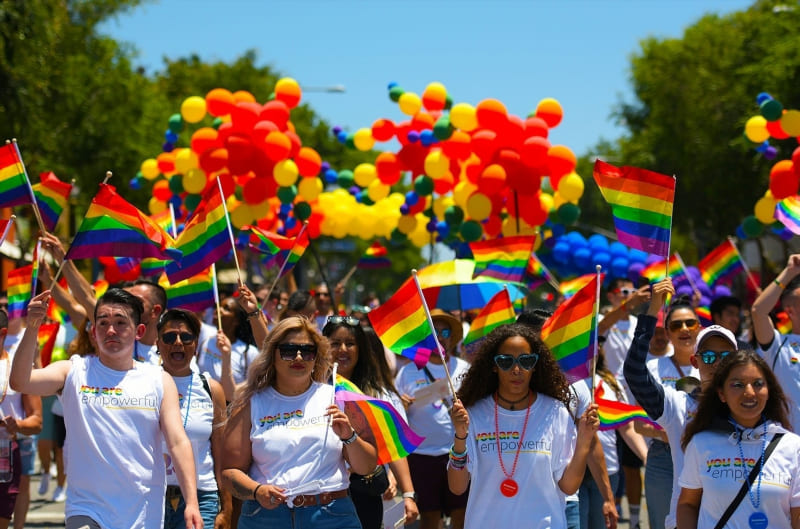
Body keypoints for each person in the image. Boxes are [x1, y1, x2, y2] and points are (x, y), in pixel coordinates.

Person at [10, 289, 202, 529]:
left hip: (143, 511)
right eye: (103, 323)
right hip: (87, 508)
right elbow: (20, 381)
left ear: (139, 331)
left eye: (120, 323)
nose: (111, 330)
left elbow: (177, 442)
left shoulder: (159, 380)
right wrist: (33, 327)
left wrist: (192, 502)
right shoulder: (73, 371)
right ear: (93, 331)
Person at [221, 316, 377, 529]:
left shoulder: (338, 398)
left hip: (332, 515)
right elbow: (230, 472)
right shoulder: (250, 403)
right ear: (272, 355)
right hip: (267, 517)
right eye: (288, 350)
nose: (298, 356)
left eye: (307, 350)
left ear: (317, 356)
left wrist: (349, 437)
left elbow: (366, 466)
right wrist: (256, 491)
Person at [448, 323, 600, 528]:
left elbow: (568, 486)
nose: (517, 369)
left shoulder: (555, 412)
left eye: (526, 361)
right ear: (494, 365)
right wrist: (460, 436)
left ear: (535, 365)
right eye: (506, 361)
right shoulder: (474, 414)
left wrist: (584, 441)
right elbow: (457, 487)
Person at [624, 278, 738, 529]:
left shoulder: (750, 407)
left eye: (726, 355)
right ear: (695, 362)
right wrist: (652, 311)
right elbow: (634, 372)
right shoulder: (679, 405)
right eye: (708, 355)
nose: (717, 361)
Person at [676, 350, 800, 528]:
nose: (749, 392)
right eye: (737, 385)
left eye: (758, 384)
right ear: (721, 394)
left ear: (768, 391)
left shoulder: (792, 446)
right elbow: (688, 504)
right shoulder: (701, 443)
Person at [322, 316, 419, 528]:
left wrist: (408, 494)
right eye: (335, 343)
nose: (343, 349)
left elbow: (392, 445)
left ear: (360, 349)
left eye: (350, 343)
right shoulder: (311, 390)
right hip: (321, 494)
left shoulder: (377, 395)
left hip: (364, 491)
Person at [395, 309, 471, 529]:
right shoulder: (408, 371)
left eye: (444, 331)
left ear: (451, 336)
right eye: (433, 332)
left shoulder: (465, 369)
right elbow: (396, 417)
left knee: (461, 515)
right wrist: (402, 405)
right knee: (429, 517)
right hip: (422, 456)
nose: (439, 336)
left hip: (458, 453)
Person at [157, 309, 232, 529]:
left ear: (196, 344)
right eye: (169, 337)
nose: (178, 343)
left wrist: (226, 507)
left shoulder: (212, 389)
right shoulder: (143, 384)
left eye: (186, 337)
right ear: (157, 343)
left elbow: (221, 451)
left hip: (202, 497)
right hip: (152, 497)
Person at [597, 277, 651, 529]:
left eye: (632, 292)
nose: (629, 295)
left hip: (632, 401)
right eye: (624, 292)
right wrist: (632, 302)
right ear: (611, 295)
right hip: (606, 397)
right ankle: (611, 510)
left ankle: (634, 518)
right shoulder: (601, 322)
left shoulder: (636, 324)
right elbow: (603, 327)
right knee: (610, 463)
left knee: (630, 464)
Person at [0, 309, 42, 529]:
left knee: (22, 484)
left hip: (8, 451)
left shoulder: (18, 369)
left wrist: (18, 425)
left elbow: (37, 421)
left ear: (3, 333)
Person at [751, 254, 800, 433]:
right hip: (790, 448)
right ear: (790, 310)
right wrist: (789, 272)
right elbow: (758, 311)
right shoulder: (779, 345)